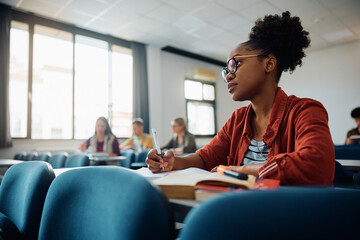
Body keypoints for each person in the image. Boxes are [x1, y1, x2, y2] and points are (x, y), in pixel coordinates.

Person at [146, 11, 335, 185]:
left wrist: (241, 170)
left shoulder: (305, 111)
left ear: (268, 64)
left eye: (235, 63)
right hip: (240, 208)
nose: (228, 75)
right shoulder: (238, 120)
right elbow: (206, 157)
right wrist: (174, 161)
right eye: (226, 70)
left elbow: (316, 165)